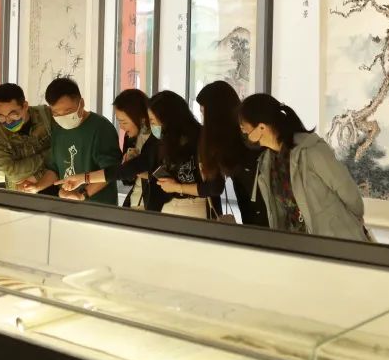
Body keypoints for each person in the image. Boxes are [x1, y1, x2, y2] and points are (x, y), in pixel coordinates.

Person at [238, 94, 372, 241]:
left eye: (245, 130)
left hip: (335, 241)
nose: (244, 134)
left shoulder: (312, 151)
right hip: (297, 245)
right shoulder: (267, 162)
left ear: (262, 127)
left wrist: (352, 221)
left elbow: (348, 191)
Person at [62, 89, 166, 211]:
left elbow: (125, 171)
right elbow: (126, 177)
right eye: (119, 122)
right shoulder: (130, 138)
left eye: (124, 122)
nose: (121, 127)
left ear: (141, 118)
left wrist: (84, 178)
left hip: (154, 205)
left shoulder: (158, 140)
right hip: (134, 201)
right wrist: (129, 166)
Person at [24, 77, 121, 204]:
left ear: (81, 103)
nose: (63, 117)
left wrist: (82, 194)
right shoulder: (58, 130)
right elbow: (54, 169)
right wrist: (37, 187)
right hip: (68, 206)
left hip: (98, 207)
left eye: (68, 111)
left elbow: (111, 172)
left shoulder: (101, 128)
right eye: (56, 113)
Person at [196, 81, 269, 227]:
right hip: (250, 215)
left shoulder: (247, 140)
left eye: (204, 114)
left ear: (216, 115)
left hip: (265, 217)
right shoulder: (228, 141)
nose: (203, 120)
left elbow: (215, 187)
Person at [148, 90, 225, 218]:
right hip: (168, 207)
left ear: (166, 119)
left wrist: (178, 187)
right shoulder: (164, 141)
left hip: (196, 208)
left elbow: (215, 187)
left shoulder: (202, 140)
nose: (152, 126)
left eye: (152, 121)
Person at [0, 83, 54, 192]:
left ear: (25, 106)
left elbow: (66, 152)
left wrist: (35, 177)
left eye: (13, 115)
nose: (8, 121)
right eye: (1, 116)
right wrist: (50, 157)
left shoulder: (47, 115)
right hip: (23, 193)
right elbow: (13, 173)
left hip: (60, 187)